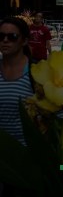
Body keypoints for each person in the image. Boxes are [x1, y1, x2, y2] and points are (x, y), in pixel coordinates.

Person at [0, 16, 34, 147]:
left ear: (24, 41)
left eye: (12, 36)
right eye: (1, 36)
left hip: (27, 153)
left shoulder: (37, 72)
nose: (5, 40)